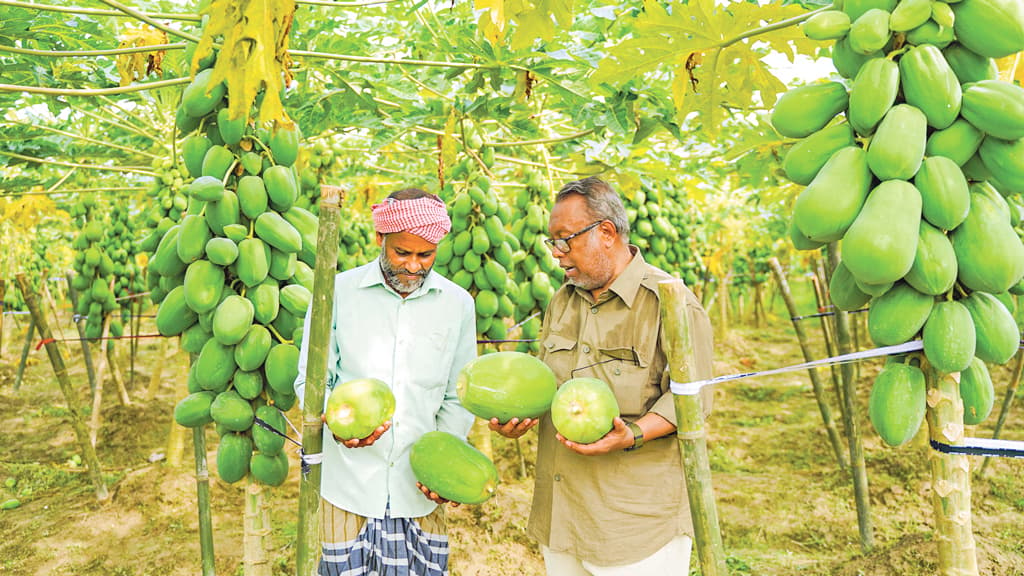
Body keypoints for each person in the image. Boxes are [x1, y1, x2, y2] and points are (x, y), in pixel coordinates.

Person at [490, 176, 715, 575]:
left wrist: (635, 433)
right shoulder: (563, 299)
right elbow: (548, 383)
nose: (557, 254)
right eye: (553, 242)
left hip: (633, 525)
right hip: (560, 513)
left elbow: (693, 399)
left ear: (606, 233)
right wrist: (519, 416)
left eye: (565, 240)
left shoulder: (669, 300)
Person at [293, 188, 477, 576]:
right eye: (402, 253)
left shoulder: (458, 304)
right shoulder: (336, 292)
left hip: (420, 489)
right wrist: (336, 421)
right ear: (380, 239)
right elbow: (311, 380)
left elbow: (457, 397)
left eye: (425, 255)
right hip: (349, 486)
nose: (413, 266)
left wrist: (443, 464)